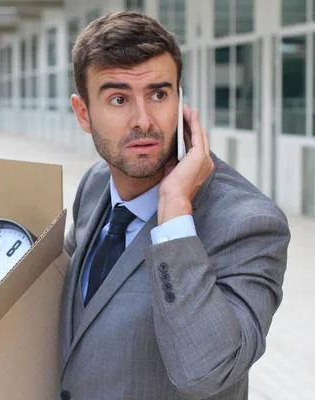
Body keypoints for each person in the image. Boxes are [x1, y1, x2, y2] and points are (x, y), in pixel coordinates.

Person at [59, 11, 291, 400]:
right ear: (84, 113)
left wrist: (175, 212)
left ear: (180, 102)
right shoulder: (95, 185)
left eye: (159, 94)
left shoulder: (250, 223)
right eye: (118, 99)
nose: (144, 120)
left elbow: (205, 374)